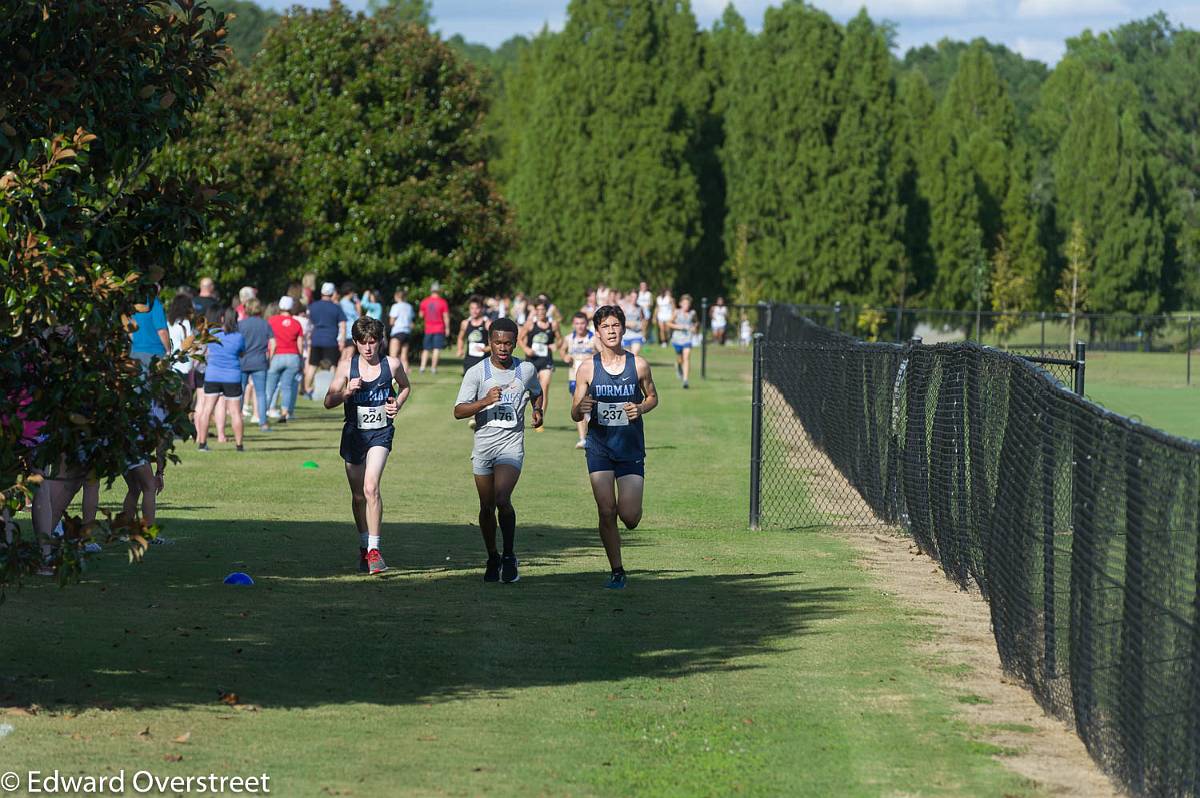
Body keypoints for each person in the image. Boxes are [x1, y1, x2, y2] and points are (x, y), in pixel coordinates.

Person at [570, 305, 658, 590]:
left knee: (629, 517)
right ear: (597, 332)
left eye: (615, 325)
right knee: (606, 510)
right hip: (599, 447)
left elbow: (653, 397)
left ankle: (630, 509)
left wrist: (641, 408)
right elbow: (574, 412)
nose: (611, 330)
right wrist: (579, 407)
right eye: (605, 326)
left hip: (630, 448)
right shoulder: (587, 367)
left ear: (623, 328)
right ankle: (617, 570)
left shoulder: (639, 364)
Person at [453, 318, 544, 584]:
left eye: (508, 343)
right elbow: (458, 411)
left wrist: (537, 410)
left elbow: (536, 393)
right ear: (489, 343)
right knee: (486, 506)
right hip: (483, 447)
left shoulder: (525, 370)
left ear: (515, 343)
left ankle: (509, 555)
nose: (503, 348)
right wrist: (484, 401)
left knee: (502, 499)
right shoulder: (477, 373)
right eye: (497, 343)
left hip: (511, 445)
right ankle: (492, 555)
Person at [325, 317, 408, 576]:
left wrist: (398, 403)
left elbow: (405, 387)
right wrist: (345, 394)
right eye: (363, 343)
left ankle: (374, 551)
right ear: (356, 343)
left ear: (380, 341)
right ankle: (363, 546)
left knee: (371, 487)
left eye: (373, 342)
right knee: (358, 495)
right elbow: (328, 401)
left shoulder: (391, 365)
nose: (369, 348)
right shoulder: (346, 367)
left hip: (380, 434)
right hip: (353, 434)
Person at [195, 308, 246, 451]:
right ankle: (239, 445)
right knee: (235, 412)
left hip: (212, 375)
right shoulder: (238, 337)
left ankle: (202, 444)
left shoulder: (212, 334)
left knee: (207, 410)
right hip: (232, 376)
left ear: (222, 319)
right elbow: (242, 353)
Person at [266, 296, 304, 425]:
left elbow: (270, 342)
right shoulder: (296, 323)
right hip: (292, 356)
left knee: (270, 387)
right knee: (287, 387)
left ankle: (264, 411)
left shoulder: (271, 321)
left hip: (277, 355)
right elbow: (300, 345)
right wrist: (301, 360)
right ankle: (285, 413)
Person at [520, 298, 558, 427]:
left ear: (547, 311)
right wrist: (526, 349)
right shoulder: (530, 324)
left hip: (546, 360)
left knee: (544, 387)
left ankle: (540, 417)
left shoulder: (553, 325)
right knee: (528, 390)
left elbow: (560, 340)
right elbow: (520, 338)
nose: (541, 312)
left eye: (543, 310)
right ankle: (524, 414)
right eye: (538, 310)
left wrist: (555, 345)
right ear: (535, 311)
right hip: (532, 361)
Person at [560, 311, 595, 449]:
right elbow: (562, 350)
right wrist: (564, 357)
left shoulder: (594, 338)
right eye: (577, 324)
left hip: (591, 379)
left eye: (582, 323)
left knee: (589, 408)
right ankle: (583, 439)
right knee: (578, 407)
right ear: (573, 325)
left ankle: (592, 436)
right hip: (573, 378)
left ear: (587, 323)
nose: (580, 326)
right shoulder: (569, 338)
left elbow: (603, 352)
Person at [305, 282, 346, 397]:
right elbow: (343, 325)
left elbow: (309, 324)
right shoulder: (336, 307)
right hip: (330, 340)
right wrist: (342, 340)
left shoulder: (313, 306)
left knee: (312, 365)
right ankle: (333, 390)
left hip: (316, 339)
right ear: (333, 293)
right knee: (334, 365)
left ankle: (307, 389)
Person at [238, 297, 273, 430]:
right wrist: (270, 358)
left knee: (240, 392)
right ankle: (263, 422)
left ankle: (238, 418)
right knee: (260, 393)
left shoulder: (241, 324)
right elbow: (273, 344)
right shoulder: (265, 324)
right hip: (259, 361)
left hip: (243, 360)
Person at [166, 294, 198, 415]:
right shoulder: (185, 323)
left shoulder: (168, 322)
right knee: (185, 396)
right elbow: (188, 342)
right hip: (184, 364)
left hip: (171, 363)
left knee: (173, 397)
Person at [129, 283, 170, 369]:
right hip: (155, 354)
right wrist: (168, 351)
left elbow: (129, 330)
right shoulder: (155, 303)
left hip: (135, 352)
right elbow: (161, 331)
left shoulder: (133, 303)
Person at [418, 282, 450, 375]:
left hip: (428, 328)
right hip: (439, 328)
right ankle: (433, 368)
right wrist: (447, 328)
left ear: (431, 290)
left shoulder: (424, 301)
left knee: (426, 348)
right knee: (436, 348)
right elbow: (446, 317)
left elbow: (420, 315)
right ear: (439, 290)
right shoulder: (443, 302)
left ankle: (422, 367)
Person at [457, 295, 491, 375]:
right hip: (469, 361)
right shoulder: (465, 323)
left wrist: (486, 349)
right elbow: (460, 338)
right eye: (472, 308)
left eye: (477, 308)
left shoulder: (487, 323)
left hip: (484, 361)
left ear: (482, 309)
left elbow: (495, 341)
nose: (474, 311)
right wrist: (460, 349)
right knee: (469, 386)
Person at [670, 294, 697, 389]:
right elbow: (669, 323)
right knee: (680, 358)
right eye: (685, 303)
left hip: (688, 339)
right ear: (681, 304)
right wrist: (679, 327)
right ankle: (678, 367)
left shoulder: (692, 313)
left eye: (688, 304)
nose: (686, 305)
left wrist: (694, 328)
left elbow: (696, 322)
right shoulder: (676, 312)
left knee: (687, 357)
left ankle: (685, 380)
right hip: (677, 339)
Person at [387, 288, 414, 372]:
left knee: (393, 356)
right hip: (407, 332)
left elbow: (392, 321)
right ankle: (405, 377)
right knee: (404, 357)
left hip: (398, 331)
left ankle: (392, 375)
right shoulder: (409, 306)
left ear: (397, 296)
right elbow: (411, 320)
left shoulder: (395, 306)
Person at [620, 290, 645, 355]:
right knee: (627, 357)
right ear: (630, 297)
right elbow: (619, 320)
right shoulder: (624, 307)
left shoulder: (640, 308)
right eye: (633, 297)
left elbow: (643, 319)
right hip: (626, 335)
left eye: (636, 297)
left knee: (634, 354)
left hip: (637, 334)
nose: (634, 299)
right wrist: (628, 324)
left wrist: (643, 331)